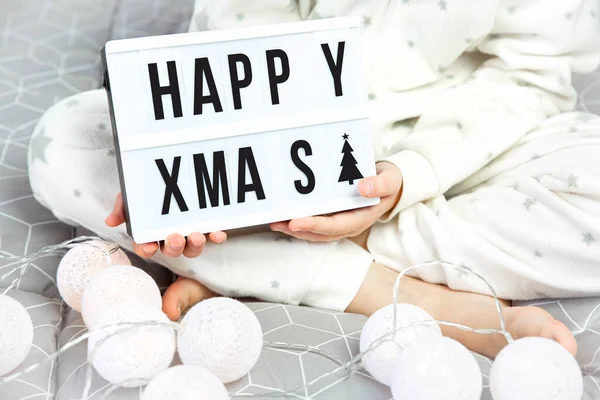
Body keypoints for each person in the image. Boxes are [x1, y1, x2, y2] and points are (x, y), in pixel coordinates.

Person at [29, 0, 600, 359]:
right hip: (271, 134)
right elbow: (236, 46)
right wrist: (193, 163)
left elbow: (532, 79)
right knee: (65, 146)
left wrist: (405, 179)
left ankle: (262, 266)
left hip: (462, 137)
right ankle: (401, 293)